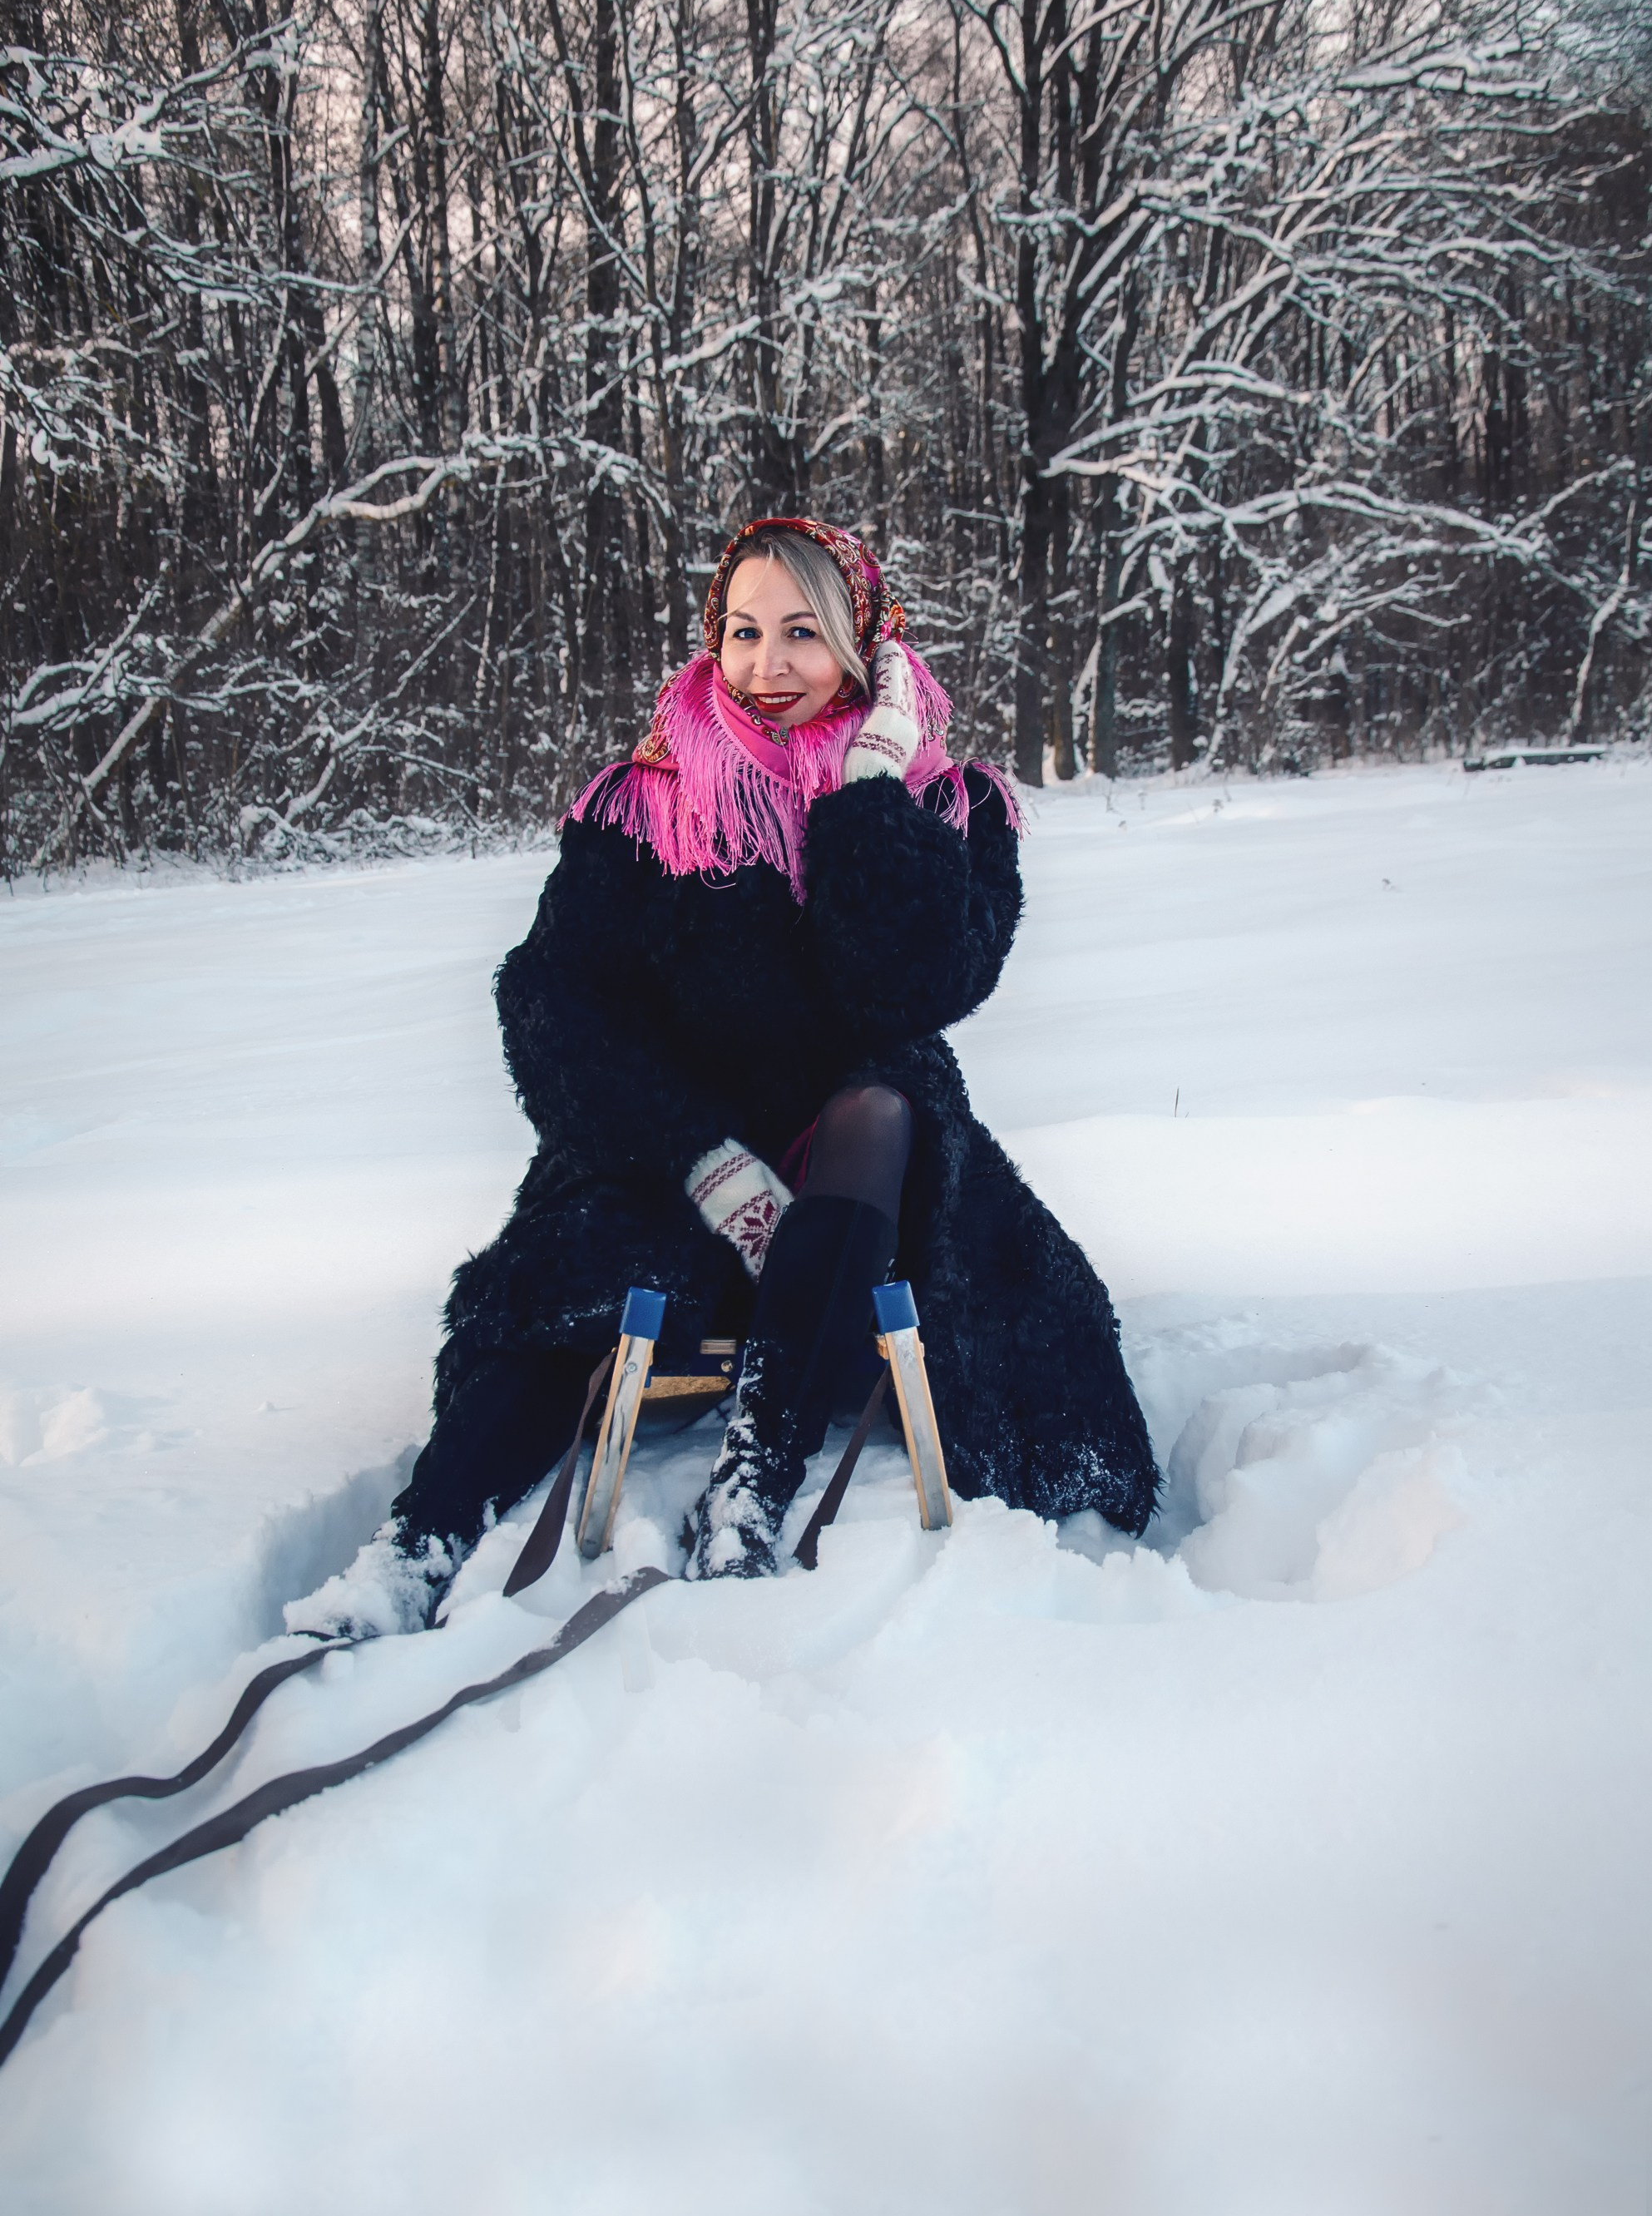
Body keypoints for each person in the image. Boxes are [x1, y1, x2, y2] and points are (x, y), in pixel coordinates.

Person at [287, 517, 1158, 1640]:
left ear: (865, 645)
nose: (766, 664)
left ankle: (756, 1479)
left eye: (804, 633)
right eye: (743, 632)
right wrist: (698, 1156)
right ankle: (415, 1548)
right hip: (670, 1156)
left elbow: (912, 992)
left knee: (885, 1103)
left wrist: (865, 793)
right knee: (565, 1281)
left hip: (866, 1190)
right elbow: (551, 1005)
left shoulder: (949, 809)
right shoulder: (642, 806)